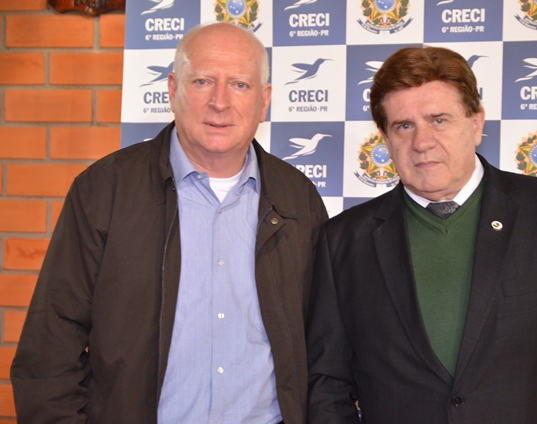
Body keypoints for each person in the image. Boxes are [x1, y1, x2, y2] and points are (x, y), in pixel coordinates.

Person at [11, 22, 327, 423]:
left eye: (239, 85)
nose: (219, 102)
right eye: (202, 81)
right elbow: (50, 350)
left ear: (264, 101)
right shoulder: (104, 191)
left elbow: (325, 349)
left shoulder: (299, 199)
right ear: (173, 90)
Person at [305, 46, 537, 423]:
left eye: (439, 120)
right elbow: (327, 386)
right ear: (384, 136)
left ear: (476, 123)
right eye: (404, 126)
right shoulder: (343, 241)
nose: (422, 142)